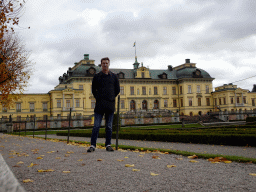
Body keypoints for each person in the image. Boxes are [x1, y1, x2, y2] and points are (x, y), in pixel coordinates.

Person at [87, 57, 120, 152]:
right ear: (101, 64)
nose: (105, 64)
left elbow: (117, 90)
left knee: (109, 126)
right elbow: (93, 90)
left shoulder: (114, 76)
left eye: (106, 63)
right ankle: (93, 145)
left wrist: (111, 97)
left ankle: (108, 145)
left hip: (110, 104)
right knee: (96, 126)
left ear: (109, 64)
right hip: (100, 105)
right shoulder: (97, 76)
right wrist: (99, 97)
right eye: (103, 63)